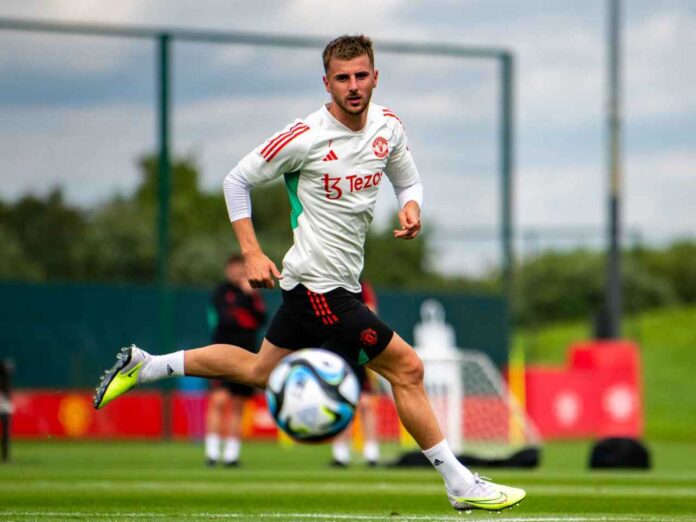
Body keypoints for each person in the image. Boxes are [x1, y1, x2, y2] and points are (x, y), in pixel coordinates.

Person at [93, 34, 526, 512]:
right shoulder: (305, 136)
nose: (353, 86)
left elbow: (407, 177)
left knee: (261, 370)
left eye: (361, 75)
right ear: (327, 83)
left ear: (375, 77)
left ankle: (150, 364)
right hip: (322, 289)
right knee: (408, 368)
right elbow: (235, 180)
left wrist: (411, 207)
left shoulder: (388, 127)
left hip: (329, 285)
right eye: (342, 78)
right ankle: (459, 483)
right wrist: (252, 253)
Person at [205, 254, 266, 467]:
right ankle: (212, 452)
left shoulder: (253, 293)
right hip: (221, 353)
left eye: (241, 269)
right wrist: (243, 303)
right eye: (234, 269)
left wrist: (250, 296)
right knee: (219, 400)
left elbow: (260, 319)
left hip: (246, 353)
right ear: (227, 270)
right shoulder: (221, 292)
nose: (238, 273)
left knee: (239, 404)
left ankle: (232, 455)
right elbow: (227, 319)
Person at [331, 280, 381, 467]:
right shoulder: (328, 284)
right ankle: (340, 454)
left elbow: (371, 313)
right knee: (341, 402)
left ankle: (371, 453)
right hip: (337, 351)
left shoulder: (362, 287)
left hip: (360, 351)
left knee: (367, 403)